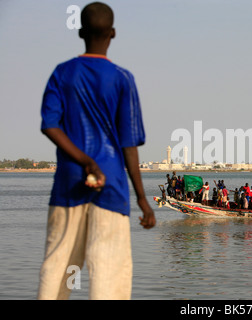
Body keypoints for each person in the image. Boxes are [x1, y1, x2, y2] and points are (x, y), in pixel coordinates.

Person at [37, 2, 156, 300]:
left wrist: (84, 161)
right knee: (109, 279)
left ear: (80, 33)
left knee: (58, 273)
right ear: (113, 33)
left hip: (69, 185)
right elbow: (128, 146)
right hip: (112, 188)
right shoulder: (122, 78)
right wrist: (143, 199)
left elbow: (49, 125)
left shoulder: (62, 74)